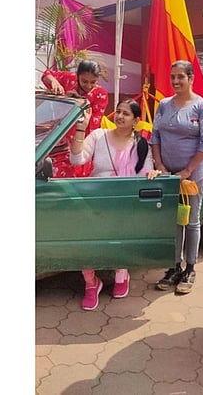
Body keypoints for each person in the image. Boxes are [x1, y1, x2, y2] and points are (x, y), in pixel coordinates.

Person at [69, 99, 157, 310]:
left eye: (125, 114)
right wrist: (81, 127)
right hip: (96, 198)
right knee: (87, 239)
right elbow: (77, 159)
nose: (119, 116)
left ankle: (121, 272)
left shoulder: (141, 144)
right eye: (117, 112)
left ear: (136, 120)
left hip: (124, 201)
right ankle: (91, 283)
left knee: (120, 237)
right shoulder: (99, 136)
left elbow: (146, 171)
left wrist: (153, 173)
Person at [150, 60, 203, 294]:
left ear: (191, 78)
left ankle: (190, 268)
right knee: (174, 221)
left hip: (191, 178)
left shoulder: (202, 107)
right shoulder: (164, 105)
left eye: (181, 77)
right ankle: (174, 267)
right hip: (168, 177)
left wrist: (187, 171)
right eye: (173, 77)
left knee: (191, 221)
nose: (176, 81)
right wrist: (159, 165)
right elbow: (155, 136)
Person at [41, 60, 108, 177]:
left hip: (79, 143)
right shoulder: (69, 79)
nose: (88, 86)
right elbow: (46, 74)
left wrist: (78, 102)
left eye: (93, 82)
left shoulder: (100, 94)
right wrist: (54, 82)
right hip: (57, 139)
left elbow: (92, 127)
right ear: (77, 76)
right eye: (84, 81)